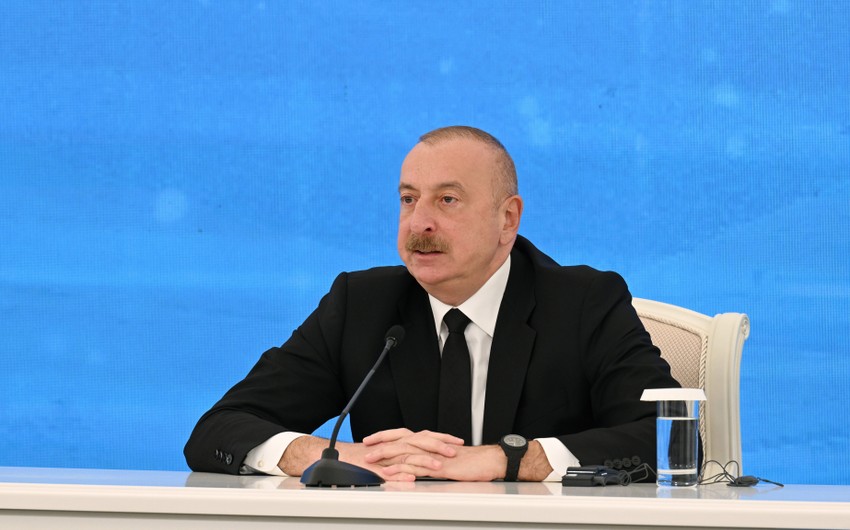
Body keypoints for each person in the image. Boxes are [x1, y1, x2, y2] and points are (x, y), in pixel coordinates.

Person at [184, 125, 680, 482]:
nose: (419, 223)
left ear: (507, 219)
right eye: (408, 199)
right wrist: (332, 455)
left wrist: (508, 459)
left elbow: (668, 439)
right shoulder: (362, 305)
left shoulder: (584, 302)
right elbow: (218, 430)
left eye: (447, 200)